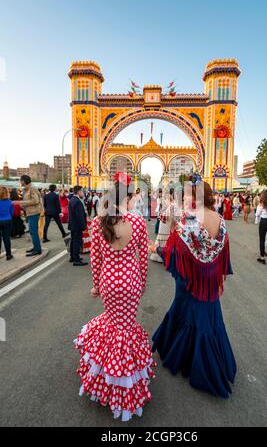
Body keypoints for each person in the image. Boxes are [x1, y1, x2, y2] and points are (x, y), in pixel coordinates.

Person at [74, 172, 155, 421]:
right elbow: (143, 260)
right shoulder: (138, 222)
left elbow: (95, 261)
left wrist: (96, 285)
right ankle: (123, 387)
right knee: (125, 328)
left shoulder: (99, 222)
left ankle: (106, 380)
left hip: (109, 282)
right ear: (128, 198)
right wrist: (141, 284)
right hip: (130, 282)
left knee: (112, 325)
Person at [149, 181, 236, 398]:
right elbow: (222, 250)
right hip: (210, 278)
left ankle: (193, 363)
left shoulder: (190, 219)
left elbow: (174, 252)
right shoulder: (219, 218)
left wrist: (155, 247)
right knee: (209, 317)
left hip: (190, 279)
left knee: (183, 310)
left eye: (188, 195)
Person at [13, 175, 43, 256]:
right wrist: (22, 205)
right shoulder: (26, 190)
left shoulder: (32, 189)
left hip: (34, 212)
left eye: (21, 181)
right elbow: (27, 201)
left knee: (33, 231)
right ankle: (36, 247)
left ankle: (37, 249)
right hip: (30, 212)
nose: (20, 182)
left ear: (24, 181)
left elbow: (35, 201)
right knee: (32, 231)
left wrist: (20, 203)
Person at [68, 185, 88, 266]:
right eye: (82, 191)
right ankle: (76, 260)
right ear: (78, 192)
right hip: (77, 225)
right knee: (77, 241)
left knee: (73, 241)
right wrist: (83, 227)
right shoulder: (77, 201)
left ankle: (73, 256)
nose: (82, 193)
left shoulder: (72, 200)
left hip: (73, 224)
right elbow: (79, 216)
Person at [0, 186, 14, 260]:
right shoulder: (10, 202)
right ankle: (8, 255)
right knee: (6, 239)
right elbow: (12, 212)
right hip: (8, 220)